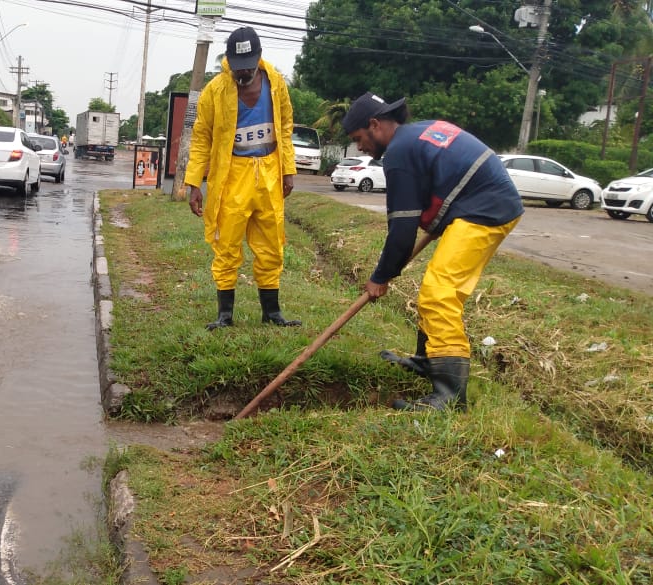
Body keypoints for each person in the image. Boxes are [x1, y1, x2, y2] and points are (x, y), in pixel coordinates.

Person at [341, 92, 524, 412]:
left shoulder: (398, 152)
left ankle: (450, 397)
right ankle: (428, 360)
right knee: (435, 287)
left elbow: (401, 232)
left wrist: (380, 277)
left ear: (375, 125)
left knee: (440, 293)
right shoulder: (416, 134)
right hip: (481, 202)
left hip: (486, 210)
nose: (360, 148)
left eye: (359, 138)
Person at [185, 26, 300, 330]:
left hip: (270, 174)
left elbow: (285, 126)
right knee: (226, 245)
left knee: (271, 244)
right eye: (238, 68)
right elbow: (201, 138)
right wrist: (194, 183)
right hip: (232, 176)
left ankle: (272, 313)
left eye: (248, 66)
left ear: (259, 58)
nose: (243, 73)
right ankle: (225, 315)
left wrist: (288, 169)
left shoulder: (276, 83)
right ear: (229, 62)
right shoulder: (215, 91)